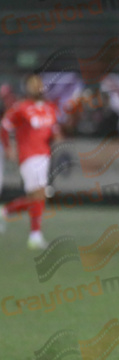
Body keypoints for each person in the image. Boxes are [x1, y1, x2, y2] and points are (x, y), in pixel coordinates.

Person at [1, 74, 61, 248]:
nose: (36, 87)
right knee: (39, 194)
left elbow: (54, 131)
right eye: (32, 84)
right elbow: (4, 126)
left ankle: (6, 212)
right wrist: (8, 148)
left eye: (38, 84)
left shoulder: (50, 108)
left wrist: (57, 137)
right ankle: (34, 236)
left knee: (37, 197)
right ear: (26, 88)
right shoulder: (22, 108)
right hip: (29, 155)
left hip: (44, 155)